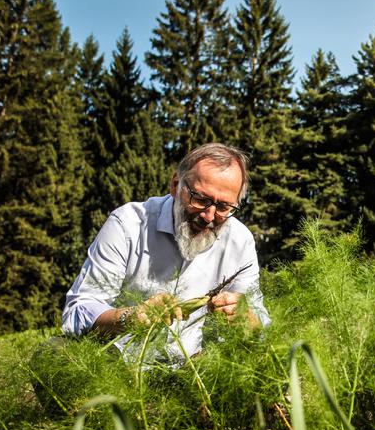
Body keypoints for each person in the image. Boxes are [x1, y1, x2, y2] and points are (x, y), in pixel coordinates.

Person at [62, 143, 270, 363]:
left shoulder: (240, 241)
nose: (209, 216)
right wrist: (130, 317)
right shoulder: (128, 225)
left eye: (223, 207)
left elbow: (261, 324)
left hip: (194, 371)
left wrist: (246, 317)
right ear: (175, 185)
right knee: (56, 353)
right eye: (200, 199)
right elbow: (79, 309)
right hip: (118, 366)